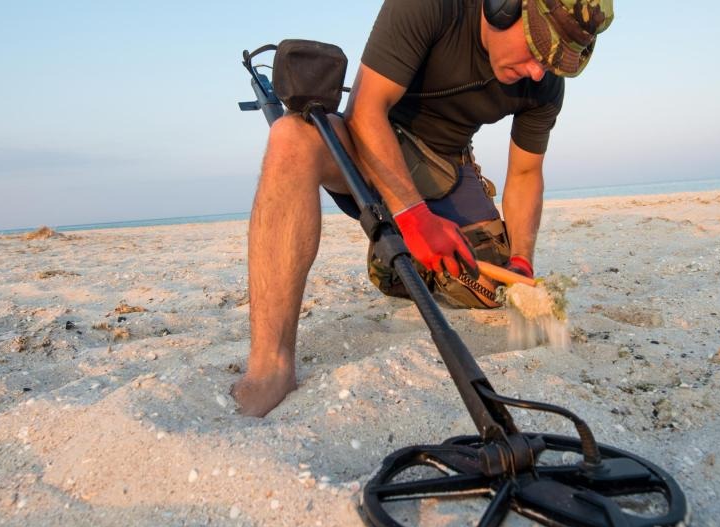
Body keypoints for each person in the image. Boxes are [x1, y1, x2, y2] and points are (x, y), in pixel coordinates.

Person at [234, 0, 614, 417]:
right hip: (369, 143)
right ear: (502, 7)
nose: (540, 70)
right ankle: (270, 367)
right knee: (292, 138)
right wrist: (412, 216)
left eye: (558, 60)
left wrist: (522, 262)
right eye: (538, 46)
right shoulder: (429, 6)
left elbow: (525, 175)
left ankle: (397, 264)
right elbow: (365, 110)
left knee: (490, 290)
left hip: (444, 167)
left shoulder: (544, 83)